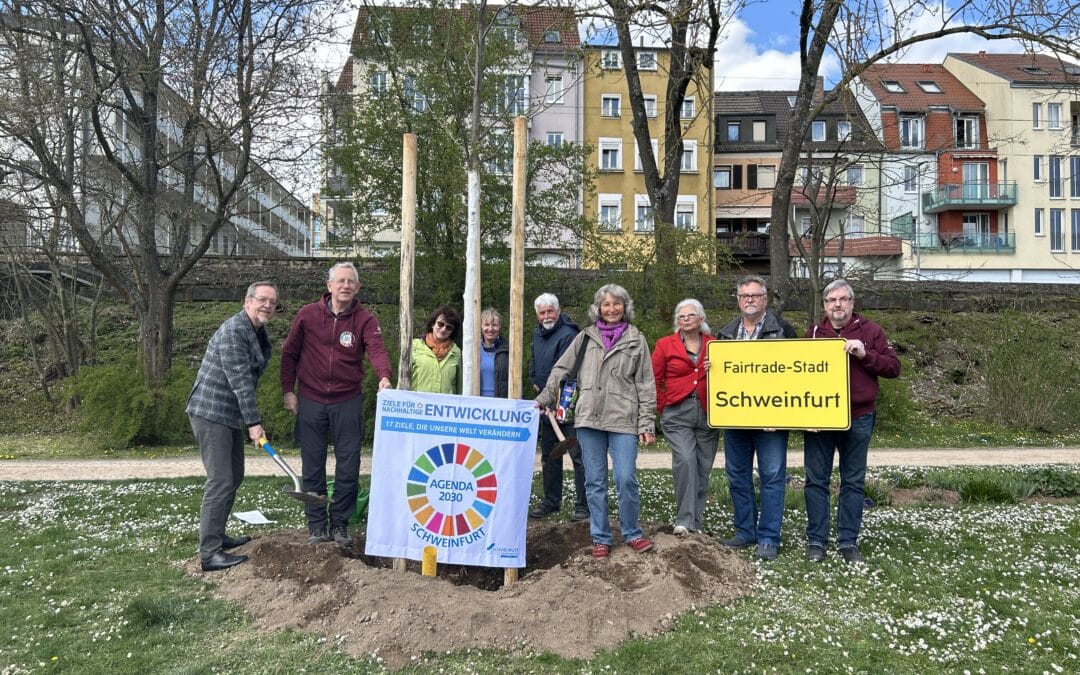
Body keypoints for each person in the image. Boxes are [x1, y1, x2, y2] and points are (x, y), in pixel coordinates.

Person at [537, 284, 656, 559]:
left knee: (626, 478)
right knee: (594, 482)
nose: (611, 309)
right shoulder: (585, 338)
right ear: (598, 309)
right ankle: (600, 537)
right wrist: (545, 398)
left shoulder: (637, 340)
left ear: (625, 307)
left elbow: (646, 385)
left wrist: (646, 423)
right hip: (588, 418)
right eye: (606, 304)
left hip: (623, 418)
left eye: (617, 304)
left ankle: (632, 532)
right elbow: (561, 369)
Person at [280, 262, 392, 547]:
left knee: (349, 465)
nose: (345, 285)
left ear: (358, 288)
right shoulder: (307, 314)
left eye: (350, 282)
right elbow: (290, 354)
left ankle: (340, 523)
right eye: (340, 281)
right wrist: (287, 391)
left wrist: (384, 377)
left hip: (347, 401)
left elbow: (377, 350)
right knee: (313, 465)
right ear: (329, 286)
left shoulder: (366, 319)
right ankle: (317, 525)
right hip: (311, 400)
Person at [804, 279, 901, 564]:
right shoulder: (812, 333)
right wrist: (805, 415)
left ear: (852, 302)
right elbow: (799, 377)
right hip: (820, 420)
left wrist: (865, 355)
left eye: (843, 299)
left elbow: (894, 368)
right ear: (824, 305)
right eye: (832, 300)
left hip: (859, 416)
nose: (838, 305)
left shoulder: (871, 331)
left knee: (853, 482)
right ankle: (816, 541)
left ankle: (848, 541)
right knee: (815, 481)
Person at [186, 281, 277, 572]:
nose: (267, 306)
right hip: (211, 412)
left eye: (272, 302)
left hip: (229, 415)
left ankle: (218, 536)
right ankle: (209, 553)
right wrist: (254, 422)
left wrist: (248, 420)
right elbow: (240, 380)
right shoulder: (234, 331)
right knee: (221, 479)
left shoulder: (255, 331)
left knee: (234, 476)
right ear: (247, 301)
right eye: (262, 299)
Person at [716, 276, 797, 560]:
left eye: (755, 295)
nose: (749, 300)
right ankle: (745, 531)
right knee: (737, 476)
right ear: (738, 300)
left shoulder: (784, 330)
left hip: (770, 420)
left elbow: (797, 374)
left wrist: (783, 414)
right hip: (735, 418)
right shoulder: (725, 334)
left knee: (772, 477)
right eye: (744, 296)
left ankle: (768, 537)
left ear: (765, 299)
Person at [651, 299, 718, 538]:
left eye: (690, 315)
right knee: (686, 461)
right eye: (681, 316)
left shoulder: (715, 345)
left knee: (702, 467)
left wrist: (717, 368)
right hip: (676, 412)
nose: (686, 319)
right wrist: (662, 405)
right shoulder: (665, 345)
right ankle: (683, 520)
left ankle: (695, 522)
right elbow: (653, 379)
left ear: (701, 318)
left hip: (708, 412)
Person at [526, 293, 588, 522]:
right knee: (550, 456)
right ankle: (551, 501)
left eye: (550, 311)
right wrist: (535, 379)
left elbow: (567, 370)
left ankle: (584, 506)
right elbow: (533, 361)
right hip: (546, 406)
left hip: (568, 406)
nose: (546, 316)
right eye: (542, 313)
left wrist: (558, 401)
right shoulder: (538, 334)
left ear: (558, 311)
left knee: (577, 456)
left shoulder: (569, 335)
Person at [411, 305, 462, 394]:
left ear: (452, 331)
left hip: (445, 406)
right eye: (440, 324)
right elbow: (403, 378)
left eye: (449, 327)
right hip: (417, 405)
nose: (443, 329)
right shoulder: (414, 346)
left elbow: (460, 387)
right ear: (432, 324)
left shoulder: (456, 352)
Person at [478, 307, 509, 398]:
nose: (490, 329)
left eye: (494, 325)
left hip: (500, 402)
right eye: (486, 325)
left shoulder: (508, 350)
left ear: (500, 327)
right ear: (481, 326)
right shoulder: (473, 350)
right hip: (476, 403)